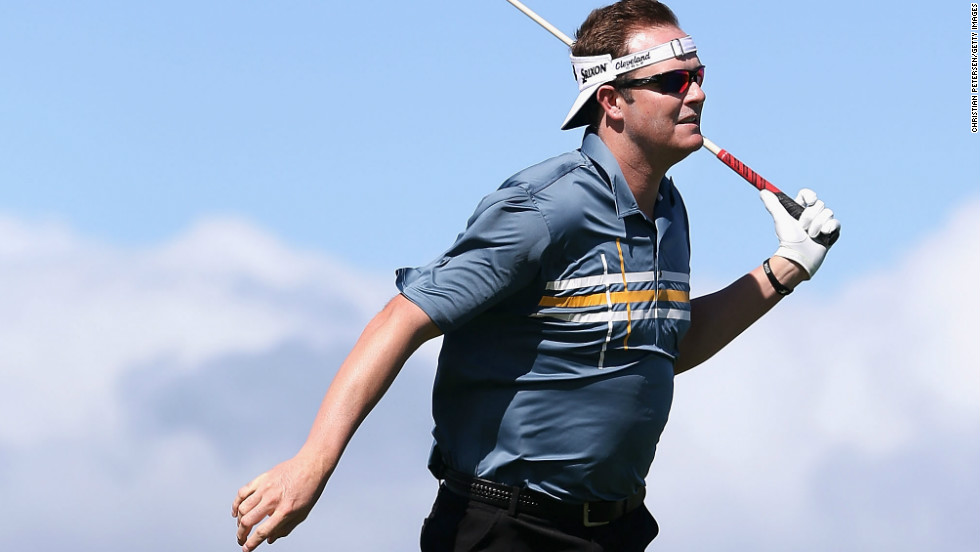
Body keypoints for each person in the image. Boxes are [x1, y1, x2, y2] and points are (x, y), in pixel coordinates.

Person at [231, 1, 841, 550]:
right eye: (673, 82)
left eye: (699, 76)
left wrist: (784, 268)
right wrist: (313, 462)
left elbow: (663, 347)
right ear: (611, 101)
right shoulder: (545, 208)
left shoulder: (670, 210)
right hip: (506, 530)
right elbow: (402, 318)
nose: (698, 94)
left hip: (618, 530)